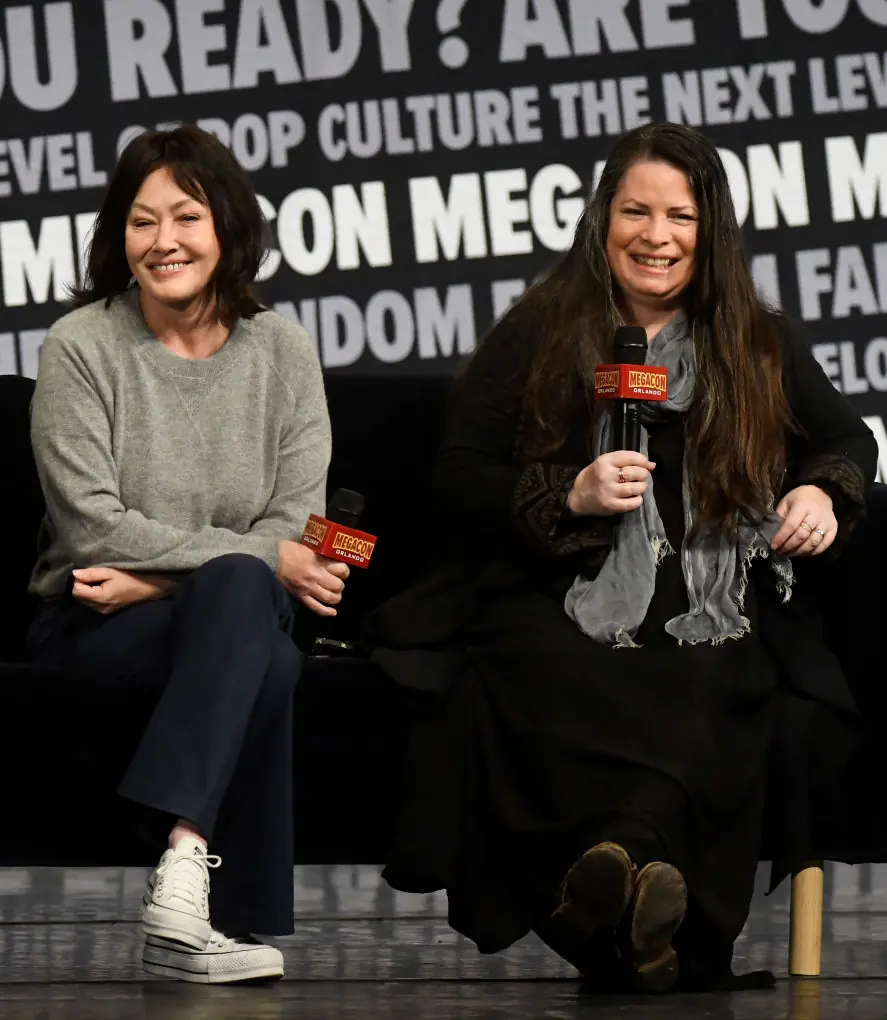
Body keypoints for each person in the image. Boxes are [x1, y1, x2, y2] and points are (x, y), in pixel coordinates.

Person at [367, 122, 877, 993]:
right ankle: (640, 908)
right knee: (556, 668)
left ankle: (613, 888)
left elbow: (843, 439)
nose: (655, 235)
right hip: (556, 592)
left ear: (707, 231)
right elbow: (457, 478)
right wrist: (567, 493)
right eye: (634, 211)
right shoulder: (540, 331)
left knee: (702, 671)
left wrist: (818, 492)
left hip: (709, 600)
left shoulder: (757, 341)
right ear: (602, 221)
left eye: (678, 216)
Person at [26, 124, 347, 984]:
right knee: (264, 648)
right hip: (96, 622)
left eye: (185, 217)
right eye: (140, 221)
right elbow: (92, 527)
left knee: (245, 597)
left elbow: (299, 521)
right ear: (117, 238)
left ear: (228, 229)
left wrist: (157, 578)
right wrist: (229, 568)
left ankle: (181, 871)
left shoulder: (283, 350)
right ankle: (204, 912)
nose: (162, 241)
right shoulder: (81, 347)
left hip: (171, 604)